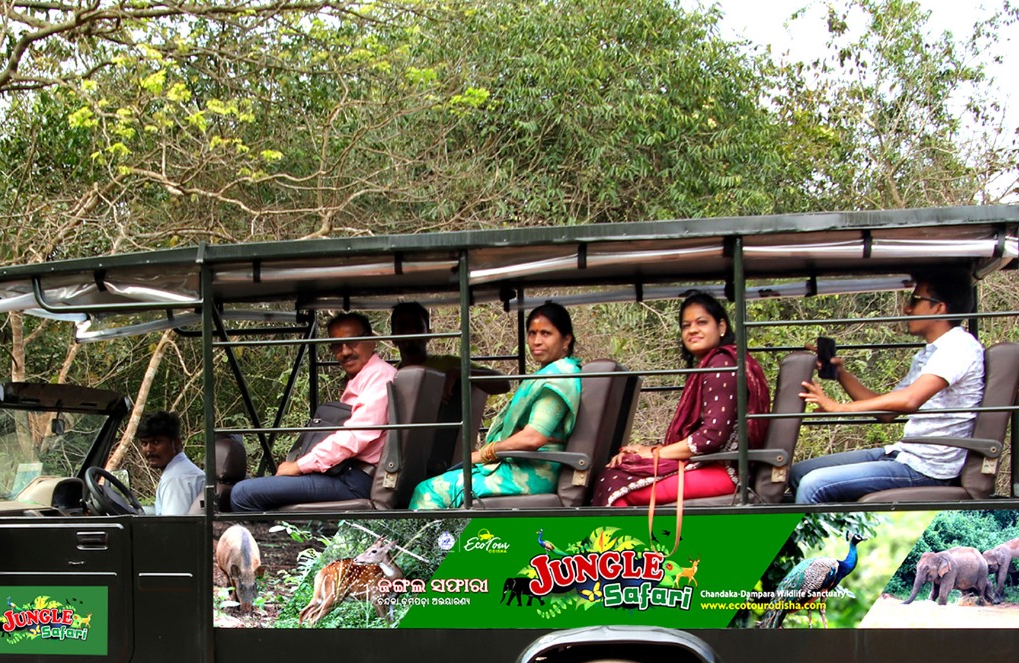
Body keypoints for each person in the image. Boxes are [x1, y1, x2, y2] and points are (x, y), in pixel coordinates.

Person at [790, 269, 984, 504]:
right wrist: (841, 374)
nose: (907, 309)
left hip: (929, 468)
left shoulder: (958, 348)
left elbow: (909, 400)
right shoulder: (932, 352)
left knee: (814, 485)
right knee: (797, 474)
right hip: (906, 453)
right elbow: (887, 411)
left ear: (939, 307)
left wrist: (838, 408)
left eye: (915, 300)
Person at [592, 290, 771, 507]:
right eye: (686, 325)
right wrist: (646, 452)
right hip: (708, 464)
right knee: (620, 470)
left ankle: (628, 540)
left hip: (723, 471)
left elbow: (711, 437)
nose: (693, 330)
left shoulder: (722, 364)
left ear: (721, 327)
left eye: (702, 322)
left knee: (614, 483)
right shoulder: (716, 363)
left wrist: (654, 453)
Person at [410, 302, 582, 509]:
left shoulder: (560, 377)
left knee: (428, 490)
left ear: (566, 339)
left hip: (531, 471)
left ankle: (426, 543)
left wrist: (485, 453)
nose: (536, 341)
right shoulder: (550, 372)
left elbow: (533, 437)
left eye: (546, 333)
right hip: (518, 463)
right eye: (532, 333)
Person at [228, 312, 397, 511]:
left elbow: (355, 436)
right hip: (345, 472)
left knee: (243, 494)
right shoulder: (365, 376)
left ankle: (265, 541)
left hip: (355, 480)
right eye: (336, 345)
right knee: (258, 489)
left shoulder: (378, 376)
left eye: (352, 342)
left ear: (371, 341)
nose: (344, 352)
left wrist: (299, 466)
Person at [136, 411, 206, 515]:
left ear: (176, 443)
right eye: (144, 443)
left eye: (156, 442)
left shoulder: (176, 479)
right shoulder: (182, 471)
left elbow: (173, 527)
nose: (149, 449)